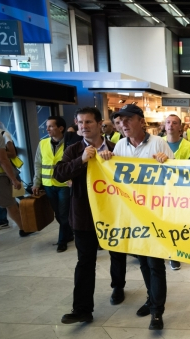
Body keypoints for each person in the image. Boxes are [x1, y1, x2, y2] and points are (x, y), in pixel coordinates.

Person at [99, 104, 174, 330]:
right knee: (142, 262)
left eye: (128, 120)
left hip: (154, 213)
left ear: (140, 121)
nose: (123, 125)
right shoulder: (120, 145)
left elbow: (175, 176)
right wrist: (106, 160)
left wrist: (165, 161)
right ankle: (151, 299)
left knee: (155, 264)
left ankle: (157, 311)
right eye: (120, 122)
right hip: (133, 215)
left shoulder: (159, 143)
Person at [54, 107, 118, 324]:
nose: (84, 126)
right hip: (83, 216)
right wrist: (81, 160)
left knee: (117, 256)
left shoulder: (115, 148)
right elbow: (59, 174)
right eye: (80, 122)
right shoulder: (73, 150)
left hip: (112, 216)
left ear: (100, 124)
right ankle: (82, 309)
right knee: (85, 262)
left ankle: (118, 287)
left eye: (89, 122)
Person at [32, 116, 74, 252]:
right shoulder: (42, 143)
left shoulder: (69, 144)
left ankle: (62, 240)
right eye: (47, 126)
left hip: (64, 185)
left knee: (63, 213)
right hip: (48, 184)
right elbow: (38, 164)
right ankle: (68, 234)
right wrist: (36, 183)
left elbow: (73, 164)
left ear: (60, 128)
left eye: (51, 126)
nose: (47, 129)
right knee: (58, 213)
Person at [165, 113, 190, 271]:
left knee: (176, 223)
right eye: (168, 122)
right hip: (162, 190)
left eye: (174, 123)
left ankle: (175, 254)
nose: (170, 125)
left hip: (180, 191)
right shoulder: (157, 143)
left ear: (181, 127)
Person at [0, 129, 27, 236]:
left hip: (3, 175)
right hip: (0, 176)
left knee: (12, 201)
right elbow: (3, 159)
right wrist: (13, 179)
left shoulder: (4, 134)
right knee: (10, 204)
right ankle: (23, 228)